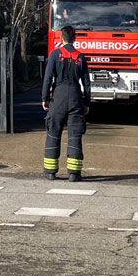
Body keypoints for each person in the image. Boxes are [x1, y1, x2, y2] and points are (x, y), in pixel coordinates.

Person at [41, 25, 91, 182]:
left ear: (62, 38)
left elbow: (48, 78)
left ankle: (50, 172)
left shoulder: (55, 55)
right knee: (75, 134)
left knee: (53, 132)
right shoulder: (81, 57)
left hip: (59, 97)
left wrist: (45, 99)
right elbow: (87, 83)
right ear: (75, 38)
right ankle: (74, 173)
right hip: (75, 98)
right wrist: (87, 102)